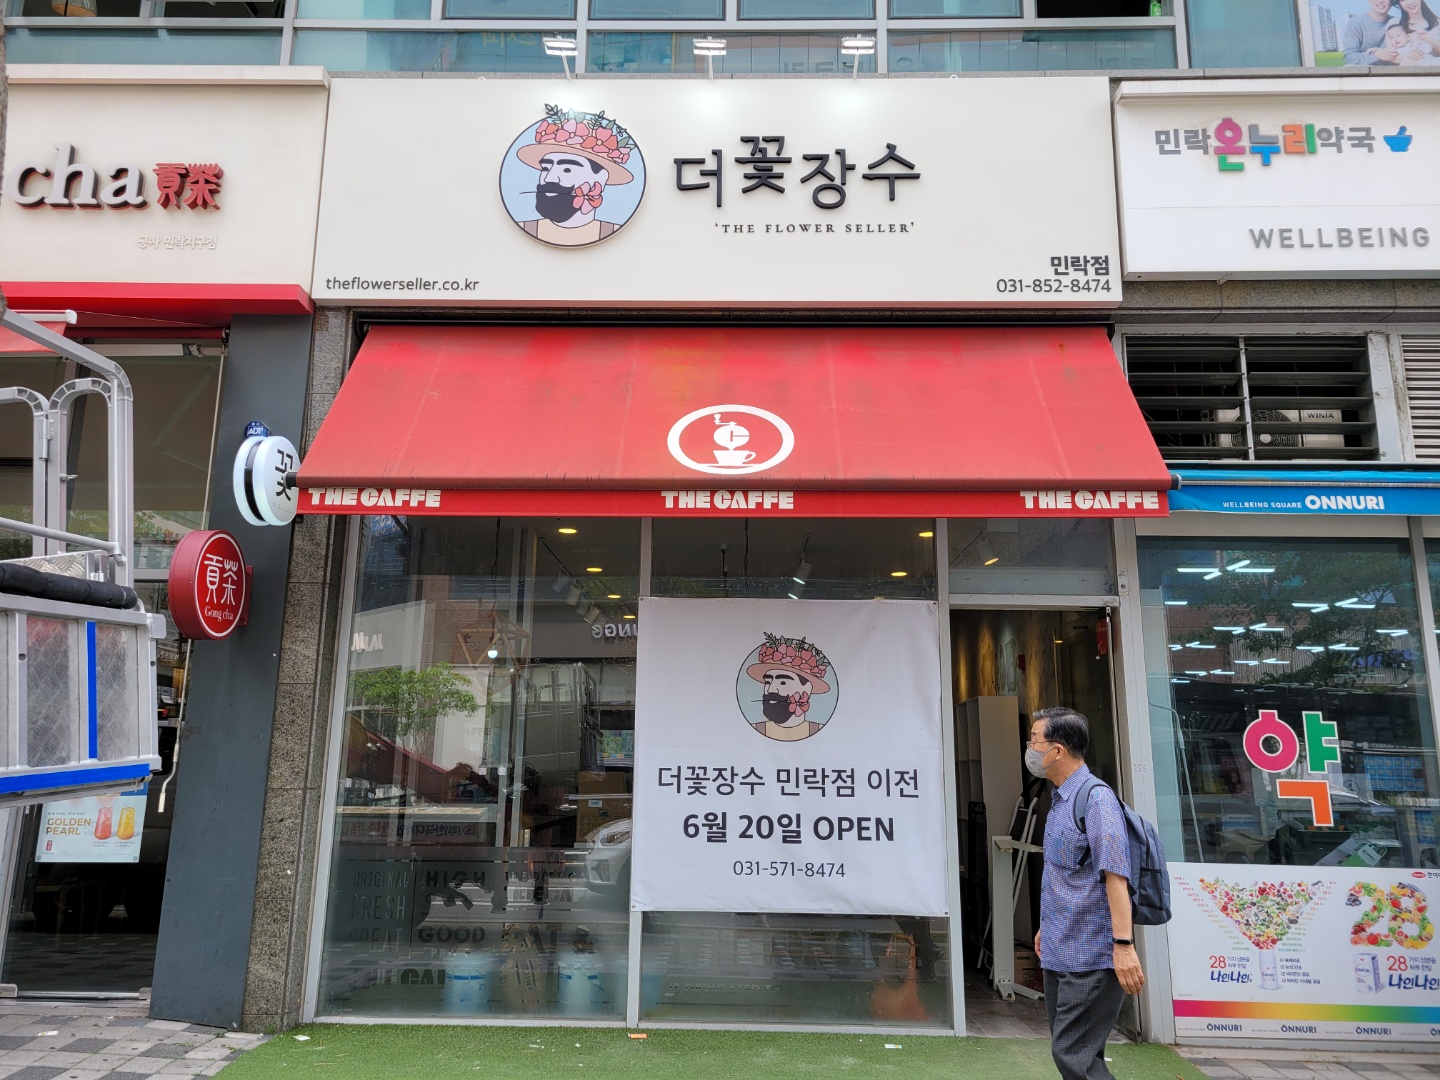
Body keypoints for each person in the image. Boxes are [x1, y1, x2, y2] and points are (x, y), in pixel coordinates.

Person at [1028, 707, 1144, 1080]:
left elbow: (1116, 877)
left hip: (1091, 955)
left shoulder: (1096, 801)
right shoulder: (1061, 799)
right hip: (1060, 948)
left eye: (1034, 740)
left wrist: (1123, 945)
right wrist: (1047, 926)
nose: (1029, 748)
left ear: (1057, 750)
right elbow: (1067, 875)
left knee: (1072, 1054)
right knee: (1080, 1053)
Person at [512, 109, 637, 248]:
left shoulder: (619, 237)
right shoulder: (524, 229)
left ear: (601, 179)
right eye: (545, 168)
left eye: (567, 169)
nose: (549, 178)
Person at [1343, 0, 1403, 64]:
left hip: (1393, 69)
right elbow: (1349, 57)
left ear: (1392, 2)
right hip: (1365, 69)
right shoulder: (1355, 23)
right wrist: (1377, 55)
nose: (1380, 1)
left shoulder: (1397, 23)